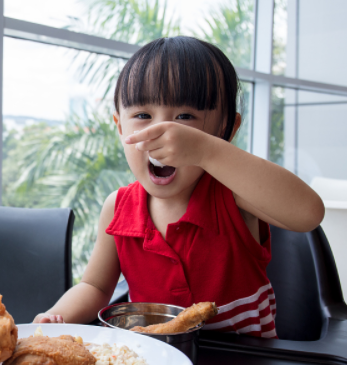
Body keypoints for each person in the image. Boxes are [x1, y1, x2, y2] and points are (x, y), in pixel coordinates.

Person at [34, 37, 324, 338]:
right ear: (120, 127)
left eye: (185, 118)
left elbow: (307, 214)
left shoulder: (233, 194)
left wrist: (209, 152)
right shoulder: (117, 207)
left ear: (226, 129)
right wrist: (56, 316)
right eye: (143, 116)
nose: (164, 134)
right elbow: (94, 286)